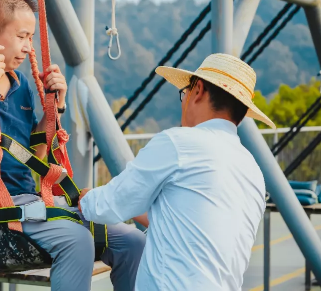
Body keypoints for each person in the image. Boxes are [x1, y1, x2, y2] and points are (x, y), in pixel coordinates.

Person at [0, 0, 146, 291]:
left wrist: (51, 111)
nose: (29, 48)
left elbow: (36, 157)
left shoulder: (20, 86)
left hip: (27, 207)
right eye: (22, 36)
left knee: (132, 241)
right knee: (77, 239)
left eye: (31, 38)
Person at [79, 53, 275, 291]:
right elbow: (188, 222)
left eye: (185, 92)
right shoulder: (253, 171)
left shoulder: (178, 143)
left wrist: (85, 199)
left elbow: (109, 204)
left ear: (198, 90)